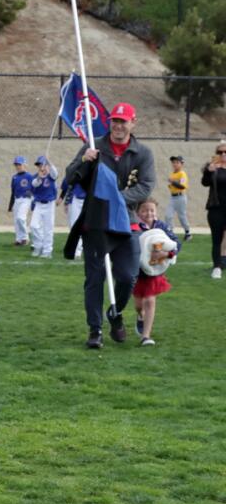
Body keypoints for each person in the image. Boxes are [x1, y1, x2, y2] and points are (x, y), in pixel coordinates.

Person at [62, 102, 156, 348]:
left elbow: (145, 186)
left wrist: (115, 200)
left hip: (127, 223)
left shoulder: (143, 153)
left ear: (133, 123)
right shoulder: (93, 146)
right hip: (96, 223)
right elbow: (70, 178)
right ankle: (95, 331)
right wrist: (84, 159)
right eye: (115, 120)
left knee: (127, 276)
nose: (118, 125)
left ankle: (115, 313)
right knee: (94, 279)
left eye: (123, 121)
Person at [131, 198, 178, 346]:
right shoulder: (134, 227)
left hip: (154, 272)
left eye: (151, 210)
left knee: (149, 301)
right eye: (144, 210)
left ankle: (146, 336)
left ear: (156, 211)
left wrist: (166, 255)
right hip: (138, 271)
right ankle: (140, 316)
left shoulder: (162, 227)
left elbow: (176, 244)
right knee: (139, 305)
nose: (148, 213)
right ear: (138, 212)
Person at [29, 155, 59, 258]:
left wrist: (49, 162)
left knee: (48, 229)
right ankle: (38, 246)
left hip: (49, 205)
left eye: (43, 165)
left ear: (47, 166)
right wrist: (39, 177)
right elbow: (34, 184)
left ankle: (47, 251)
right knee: (33, 226)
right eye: (39, 166)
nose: (41, 168)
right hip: (38, 204)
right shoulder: (35, 177)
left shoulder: (51, 176)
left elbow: (55, 173)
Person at [204, 141, 226, 280]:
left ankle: (223, 260)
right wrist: (209, 171)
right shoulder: (212, 168)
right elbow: (205, 182)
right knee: (216, 240)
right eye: (220, 152)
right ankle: (217, 267)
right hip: (216, 209)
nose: (223, 154)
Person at [8, 156, 34, 246]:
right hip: (17, 199)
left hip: (26, 199)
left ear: (24, 164)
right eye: (16, 165)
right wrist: (10, 205)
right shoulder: (14, 177)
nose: (18, 166)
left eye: (19, 164)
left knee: (20, 218)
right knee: (16, 220)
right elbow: (13, 192)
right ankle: (19, 239)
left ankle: (25, 237)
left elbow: (34, 188)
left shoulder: (30, 176)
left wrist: (32, 197)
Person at [164, 154, 191, 241]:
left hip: (180, 197)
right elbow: (173, 185)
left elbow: (182, 186)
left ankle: (188, 232)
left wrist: (173, 182)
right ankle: (170, 232)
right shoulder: (173, 174)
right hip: (173, 198)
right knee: (168, 215)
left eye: (177, 162)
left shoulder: (182, 174)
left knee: (181, 216)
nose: (174, 164)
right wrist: (171, 185)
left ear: (181, 164)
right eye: (173, 162)